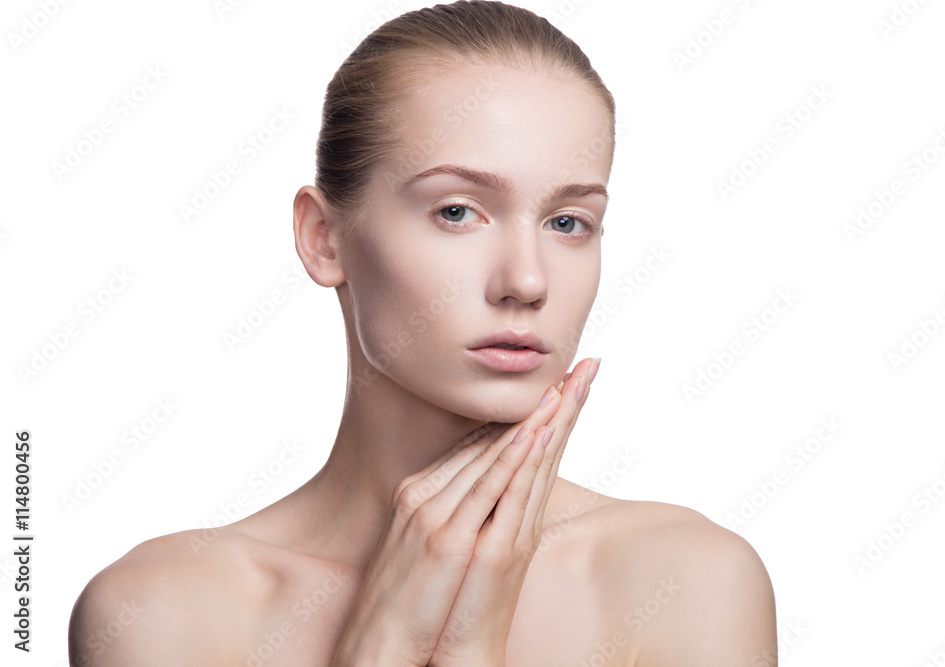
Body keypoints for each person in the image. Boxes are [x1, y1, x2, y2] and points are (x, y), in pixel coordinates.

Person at [68, 1, 776, 664]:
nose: (527, 280)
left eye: (568, 222)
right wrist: (384, 642)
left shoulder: (686, 581)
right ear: (323, 238)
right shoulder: (161, 613)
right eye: (457, 211)